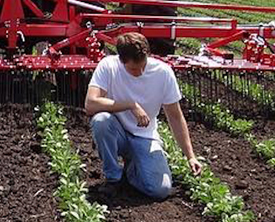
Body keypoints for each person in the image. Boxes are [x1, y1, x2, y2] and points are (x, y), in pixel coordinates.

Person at [84, 32, 203, 201]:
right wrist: (130, 104)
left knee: (159, 190)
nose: (140, 72)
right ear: (121, 60)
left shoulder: (163, 73)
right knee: (101, 120)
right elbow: (90, 104)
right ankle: (113, 178)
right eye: (133, 68)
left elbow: (175, 117)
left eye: (143, 65)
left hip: (144, 136)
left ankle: (131, 169)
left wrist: (190, 156)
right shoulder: (108, 66)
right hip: (116, 133)